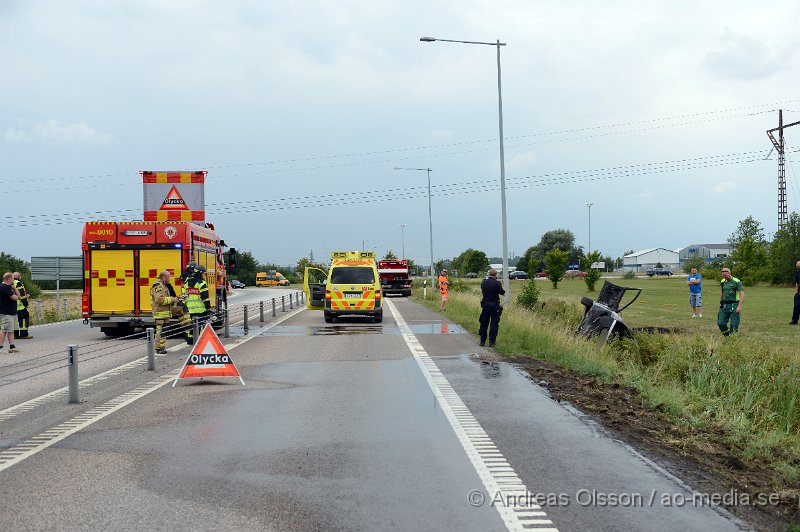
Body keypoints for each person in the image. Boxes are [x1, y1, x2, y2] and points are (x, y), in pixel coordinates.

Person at [150, 271, 191, 354]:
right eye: (168, 277)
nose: (169, 279)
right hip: (160, 313)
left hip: (165, 312)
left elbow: (165, 298)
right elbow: (160, 300)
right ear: (164, 277)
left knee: (181, 308)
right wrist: (173, 299)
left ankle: (188, 331)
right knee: (161, 331)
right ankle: (159, 348)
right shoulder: (158, 286)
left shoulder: (164, 286)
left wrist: (177, 299)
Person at [184, 264, 211, 344]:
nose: (203, 275)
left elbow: (185, 295)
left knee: (191, 326)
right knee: (201, 326)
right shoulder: (202, 283)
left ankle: (190, 340)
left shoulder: (187, 282)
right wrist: (208, 308)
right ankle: (201, 342)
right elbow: (205, 298)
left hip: (189, 309)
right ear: (200, 273)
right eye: (203, 274)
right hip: (200, 309)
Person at [478, 269, 505, 347]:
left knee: (483, 322)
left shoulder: (484, 282)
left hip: (485, 305)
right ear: (495, 275)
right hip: (494, 305)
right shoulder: (497, 283)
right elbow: (502, 292)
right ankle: (491, 342)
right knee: (494, 323)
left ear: (489, 274)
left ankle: (482, 341)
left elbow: (482, 289)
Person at [717, 267, 744, 336]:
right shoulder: (722, 281)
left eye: (726, 275)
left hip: (734, 304)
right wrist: (720, 303)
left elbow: (742, 294)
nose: (725, 277)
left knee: (734, 324)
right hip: (724, 304)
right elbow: (722, 292)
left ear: (729, 273)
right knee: (720, 323)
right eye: (723, 275)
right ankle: (727, 336)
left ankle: (733, 339)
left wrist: (740, 306)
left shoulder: (737, 281)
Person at [0, 272, 21, 353]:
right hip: (6, 312)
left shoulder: (8, 287)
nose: (13, 280)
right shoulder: (4, 287)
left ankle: (12, 346)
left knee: (11, 330)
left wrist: (14, 288)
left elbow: (18, 297)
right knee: (4, 330)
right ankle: (0, 346)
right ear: (9, 279)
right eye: (12, 278)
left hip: (12, 312)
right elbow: (16, 298)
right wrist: (15, 288)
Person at [12, 272, 31, 339]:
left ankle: (15, 335)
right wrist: (25, 303)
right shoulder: (18, 283)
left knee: (14, 321)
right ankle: (24, 334)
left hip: (12, 306)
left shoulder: (9, 283)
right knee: (24, 319)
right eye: (20, 276)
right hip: (20, 306)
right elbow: (22, 295)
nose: (21, 277)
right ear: (18, 277)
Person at [791, 260, 800, 325]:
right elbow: (797, 282)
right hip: (799, 292)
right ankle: (794, 320)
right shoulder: (798, 272)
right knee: (796, 306)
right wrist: (796, 291)